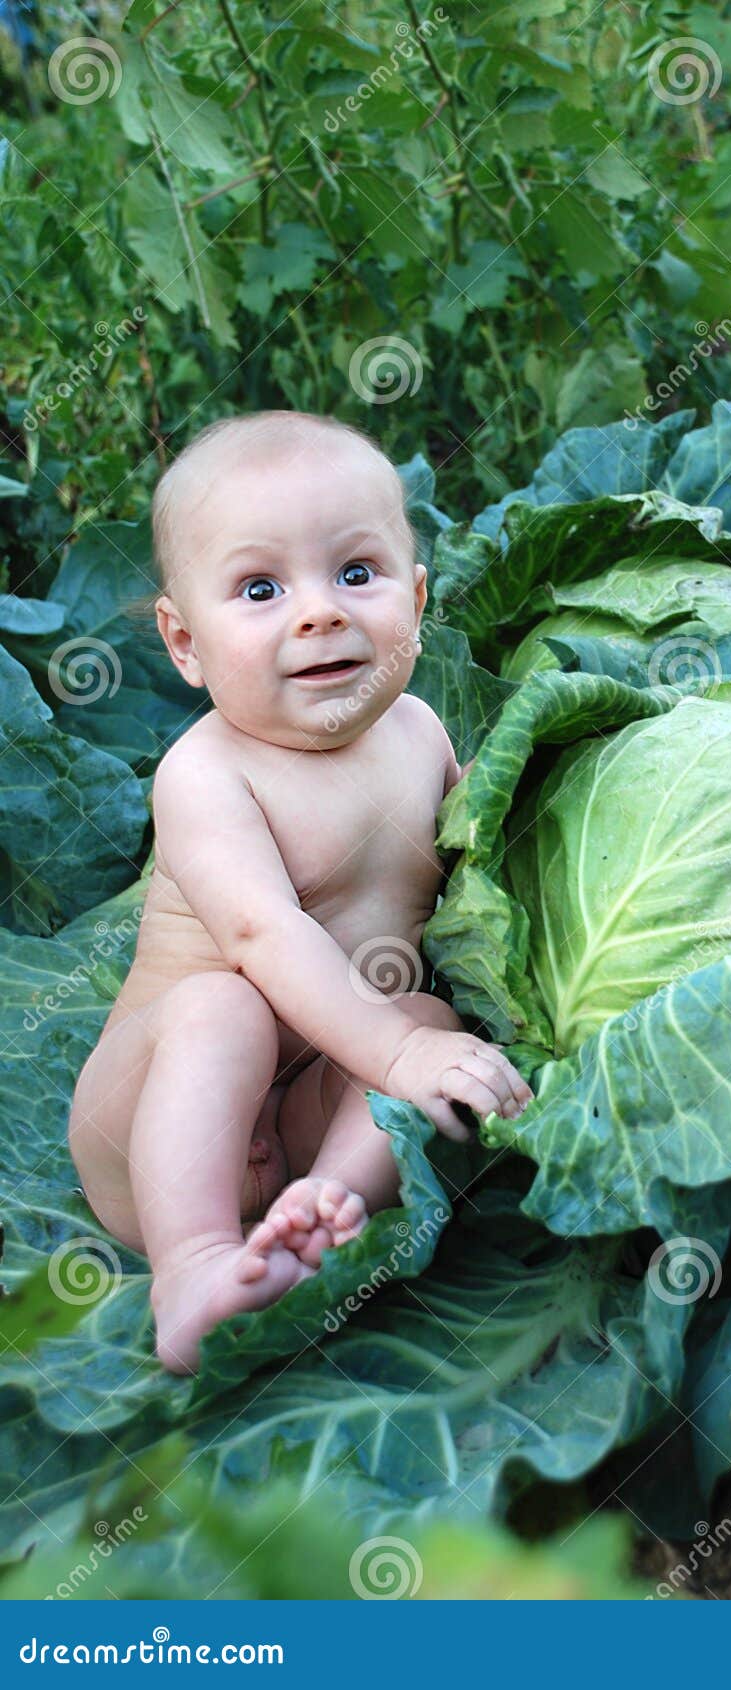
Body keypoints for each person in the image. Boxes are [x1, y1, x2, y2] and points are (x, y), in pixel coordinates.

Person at [67, 410, 533, 1376]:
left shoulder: (419, 734)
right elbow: (265, 933)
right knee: (224, 1004)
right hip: (161, 1122)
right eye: (261, 588)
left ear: (416, 597)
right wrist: (400, 1051)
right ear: (185, 643)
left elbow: (474, 860)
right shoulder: (206, 775)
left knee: (424, 1007)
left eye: (354, 575)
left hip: (307, 1101)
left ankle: (313, 1214)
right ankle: (192, 1264)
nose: (318, 613)